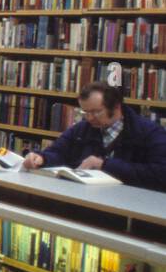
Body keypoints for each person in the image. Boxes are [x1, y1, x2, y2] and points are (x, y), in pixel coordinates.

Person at [21, 81, 166, 191]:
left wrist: (103, 165)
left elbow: (160, 174)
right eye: (85, 112)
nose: (89, 118)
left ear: (116, 107)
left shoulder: (150, 133)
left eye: (96, 112)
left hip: (134, 205)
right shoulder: (81, 129)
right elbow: (58, 152)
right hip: (87, 199)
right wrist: (41, 158)